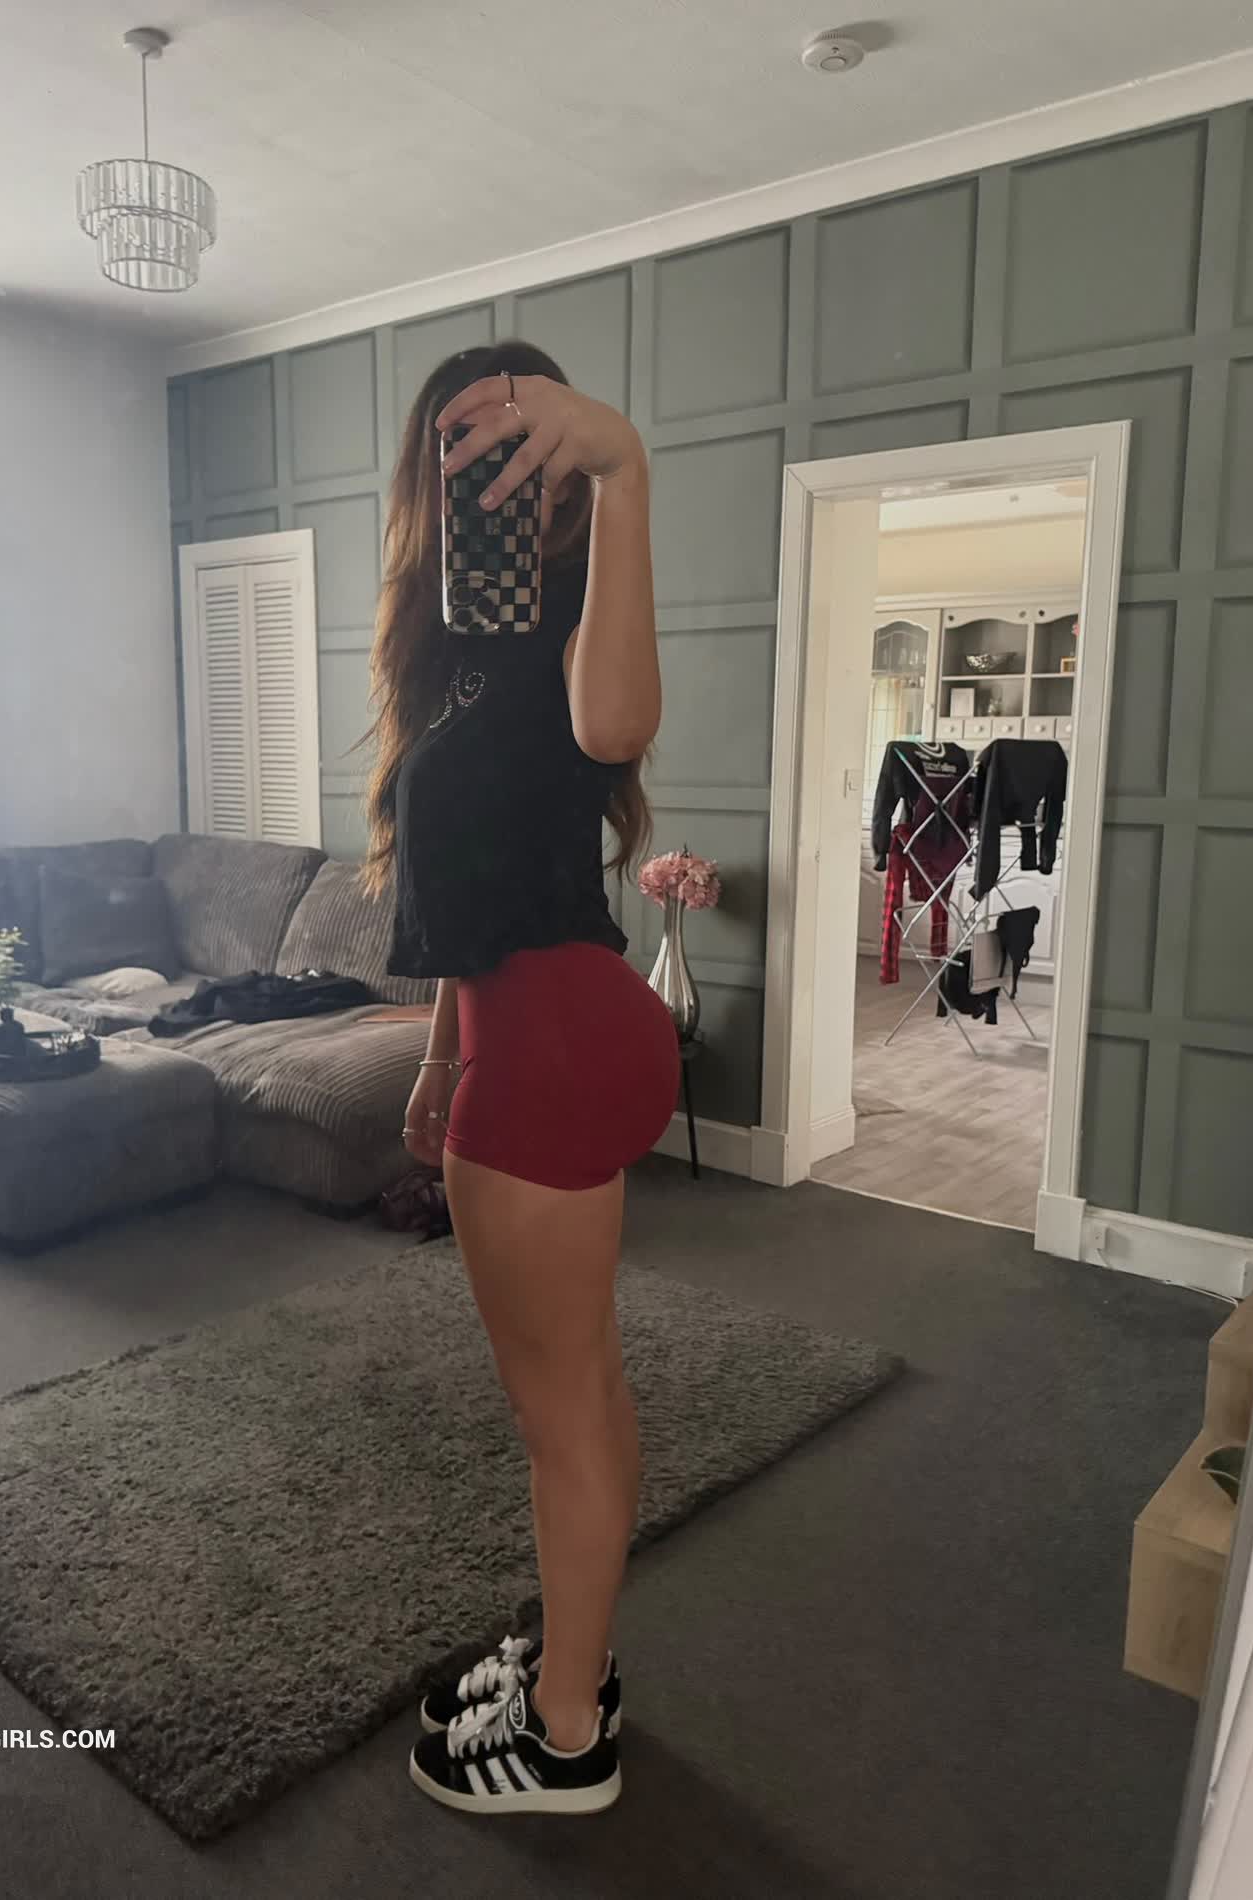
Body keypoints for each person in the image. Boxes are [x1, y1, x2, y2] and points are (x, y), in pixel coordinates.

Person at [360, 341, 679, 1815]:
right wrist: (441, 1054)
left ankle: (561, 1740)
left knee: (557, 1415)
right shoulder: (448, 650)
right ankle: (576, 1661)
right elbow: (465, 895)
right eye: (462, 446)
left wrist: (624, 471)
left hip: (555, 1043)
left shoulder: (570, 616)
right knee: (584, 1388)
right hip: (525, 1031)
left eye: (520, 443)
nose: (491, 472)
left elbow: (616, 727)